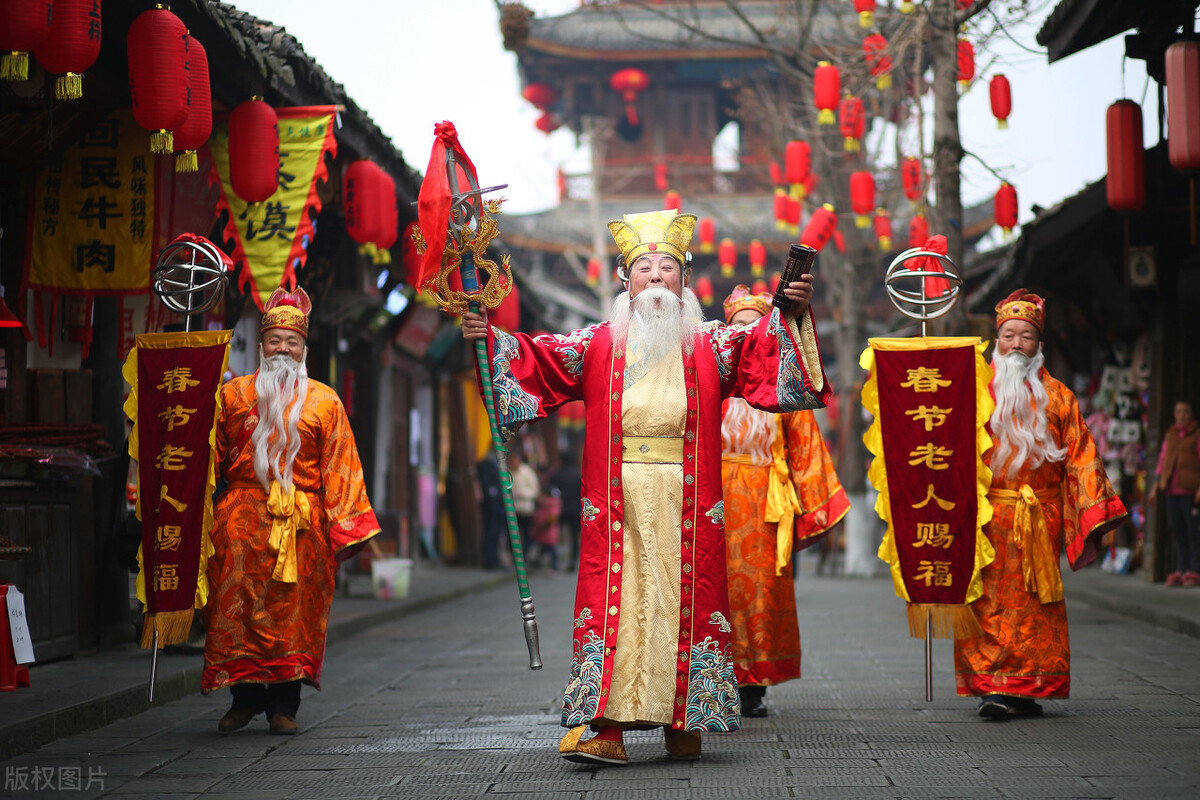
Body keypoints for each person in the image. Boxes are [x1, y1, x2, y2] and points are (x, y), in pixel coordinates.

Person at [462, 209, 829, 765]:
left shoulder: (712, 344)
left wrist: (790, 310)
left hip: (688, 497)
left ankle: (684, 720)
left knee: (681, 600)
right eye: (643, 268)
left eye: (667, 268)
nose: (655, 277)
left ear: (684, 281)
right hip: (616, 500)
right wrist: (487, 339)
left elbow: (763, 354)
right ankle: (608, 726)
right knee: (621, 604)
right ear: (622, 279)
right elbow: (536, 362)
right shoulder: (595, 344)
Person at [203, 288, 380, 735]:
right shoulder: (232, 396)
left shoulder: (325, 401)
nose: (283, 348)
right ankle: (243, 700)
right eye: (275, 340)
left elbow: (341, 466)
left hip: (302, 527)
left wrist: (346, 529)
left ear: (304, 349)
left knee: (295, 615)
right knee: (237, 611)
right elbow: (207, 458)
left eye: (292, 342)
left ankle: (285, 705)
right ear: (261, 345)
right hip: (240, 522)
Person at [955, 289, 1127, 719]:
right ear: (996, 340)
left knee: (1036, 605)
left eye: (1026, 336)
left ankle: (1026, 687)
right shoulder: (973, 391)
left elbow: (1082, 456)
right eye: (1009, 334)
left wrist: (1095, 511)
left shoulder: (1061, 398)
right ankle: (994, 688)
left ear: (1039, 345)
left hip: (1039, 520)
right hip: (986, 518)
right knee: (985, 601)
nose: (1017, 344)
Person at [719, 286, 850, 718]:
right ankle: (715, 677)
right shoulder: (707, 379)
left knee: (761, 593)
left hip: (765, 503)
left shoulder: (785, 386)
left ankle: (754, 684)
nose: (745, 335)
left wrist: (815, 508)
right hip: (713, 500)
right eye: (737, 328)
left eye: (753, 327)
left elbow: (806, 448)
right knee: (713, 591)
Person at [1147, 400, 1200, 586]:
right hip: (1171, 490)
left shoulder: (1196, 434)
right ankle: (1180, 568)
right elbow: (1162, 462)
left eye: (1186, 411)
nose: (1182, 415)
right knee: (1178, 532)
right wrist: (1154, 489)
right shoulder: (1171, 434)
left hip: (1190, 490)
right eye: (1179, 411)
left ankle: (1194, 570)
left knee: (1192, 531)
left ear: (1191, 414)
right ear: (1174, 414)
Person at [549, 449, 583, 570]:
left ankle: (554, 561)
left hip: (560, 509)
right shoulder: (577, 475)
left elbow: (550, 489)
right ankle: (573, 561)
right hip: (574, 509)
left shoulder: (557, 474)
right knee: (574, 537)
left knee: (554, 533)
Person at [508, 447, 540, 552]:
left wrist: (523, 494)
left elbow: (535, 490)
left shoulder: (527, 472)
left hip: (526, 508)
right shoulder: (509, 472)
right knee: (513, 533)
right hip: (513, 508)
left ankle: (525, 553)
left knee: (527, 533)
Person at [477, 452, 505, 570]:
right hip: (492, 504)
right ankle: (490, 559)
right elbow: (487, 485)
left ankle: (495, 558)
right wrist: (493, 498)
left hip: (498, 503)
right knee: (491, 532)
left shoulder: (498, 464)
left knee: (496, 533)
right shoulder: (486, 465)